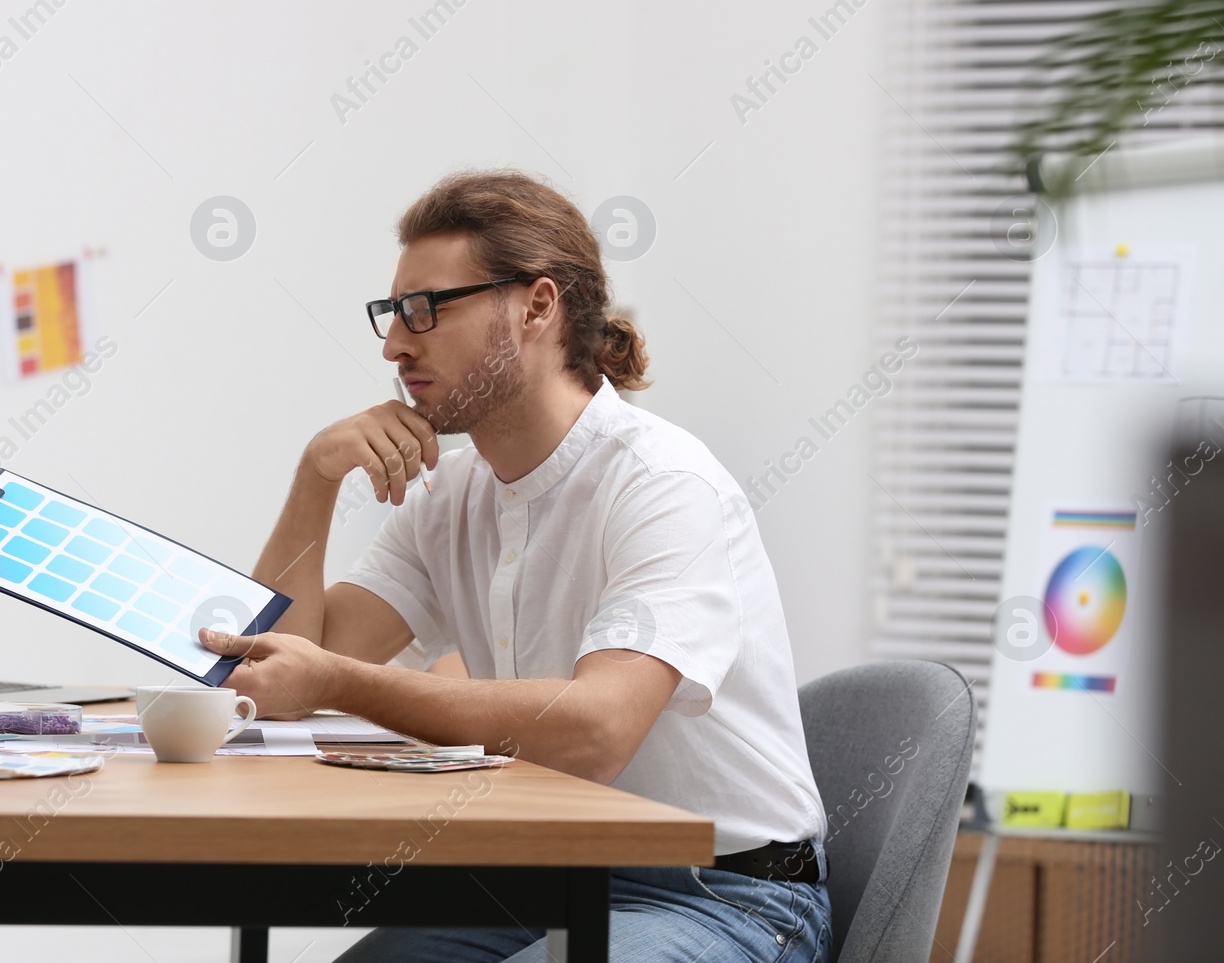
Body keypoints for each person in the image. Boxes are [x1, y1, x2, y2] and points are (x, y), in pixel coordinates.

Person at [198, 169, 831, 962]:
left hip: (725, 894)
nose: (396, 344)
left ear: (536, 305)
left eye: (426, 309)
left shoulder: (663, 483)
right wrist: (314, 480)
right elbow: (275, 666)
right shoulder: (452, 497)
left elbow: (599, 728)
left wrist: (338, 682)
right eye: (392, 314)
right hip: (546, 880)